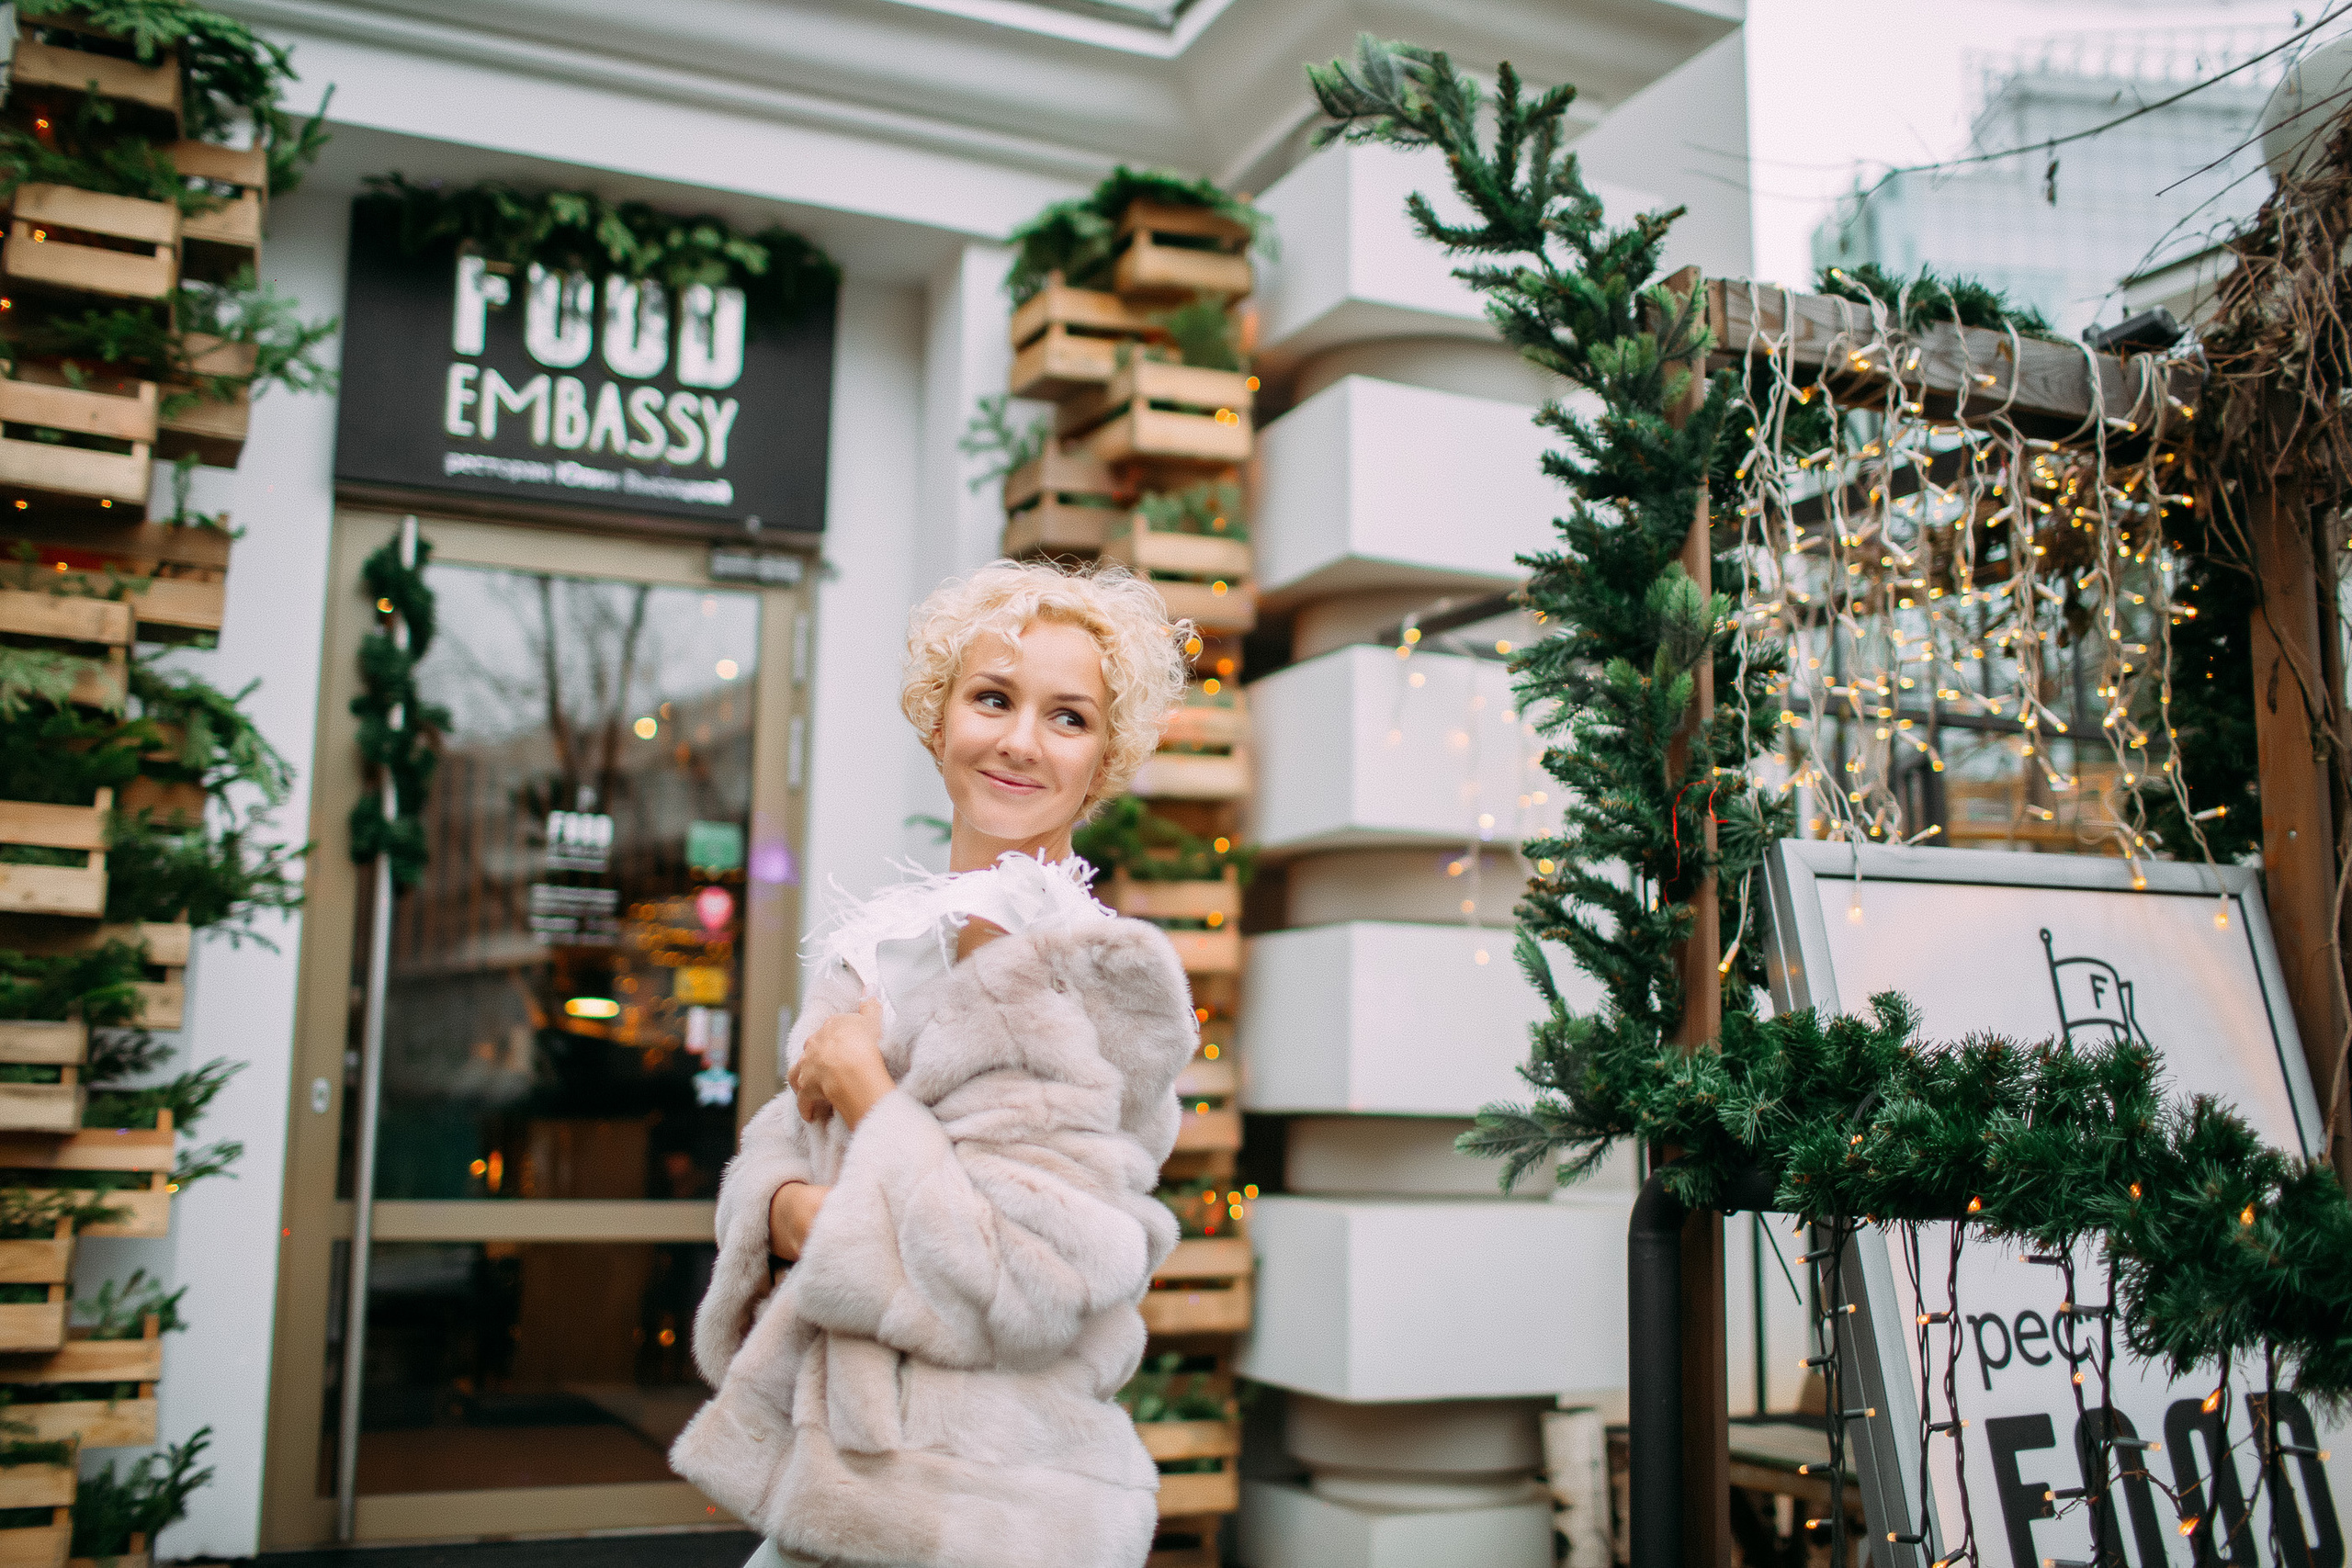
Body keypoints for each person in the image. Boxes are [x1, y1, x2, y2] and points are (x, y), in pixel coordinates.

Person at [671, 559, 1201, 1568]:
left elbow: (1028, 1277)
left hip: (994, 1510)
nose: (1019, 741)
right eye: (992, 698)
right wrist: (787, 1211)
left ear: (1105, 757)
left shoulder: (1095, 976)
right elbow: (774, 1166)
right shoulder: (876, 948)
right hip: (844, 1487)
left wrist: (863, 1094)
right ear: (936, 718)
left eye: (1068, 717)